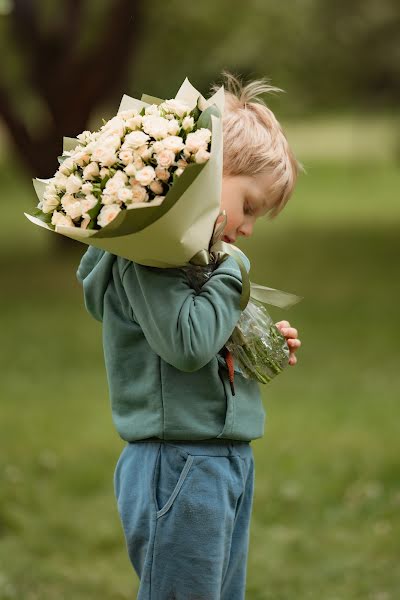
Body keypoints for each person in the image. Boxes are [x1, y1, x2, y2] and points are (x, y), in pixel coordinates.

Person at [76, 70, 302, 600]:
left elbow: (208, 337)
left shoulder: (196, 257)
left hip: (221, 458)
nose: (246, 229)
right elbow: (186, 345)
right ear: (210, 170)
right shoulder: (149, 257)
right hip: (178, 462)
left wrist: (258, 338)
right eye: (248, 206)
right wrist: (233, 270)